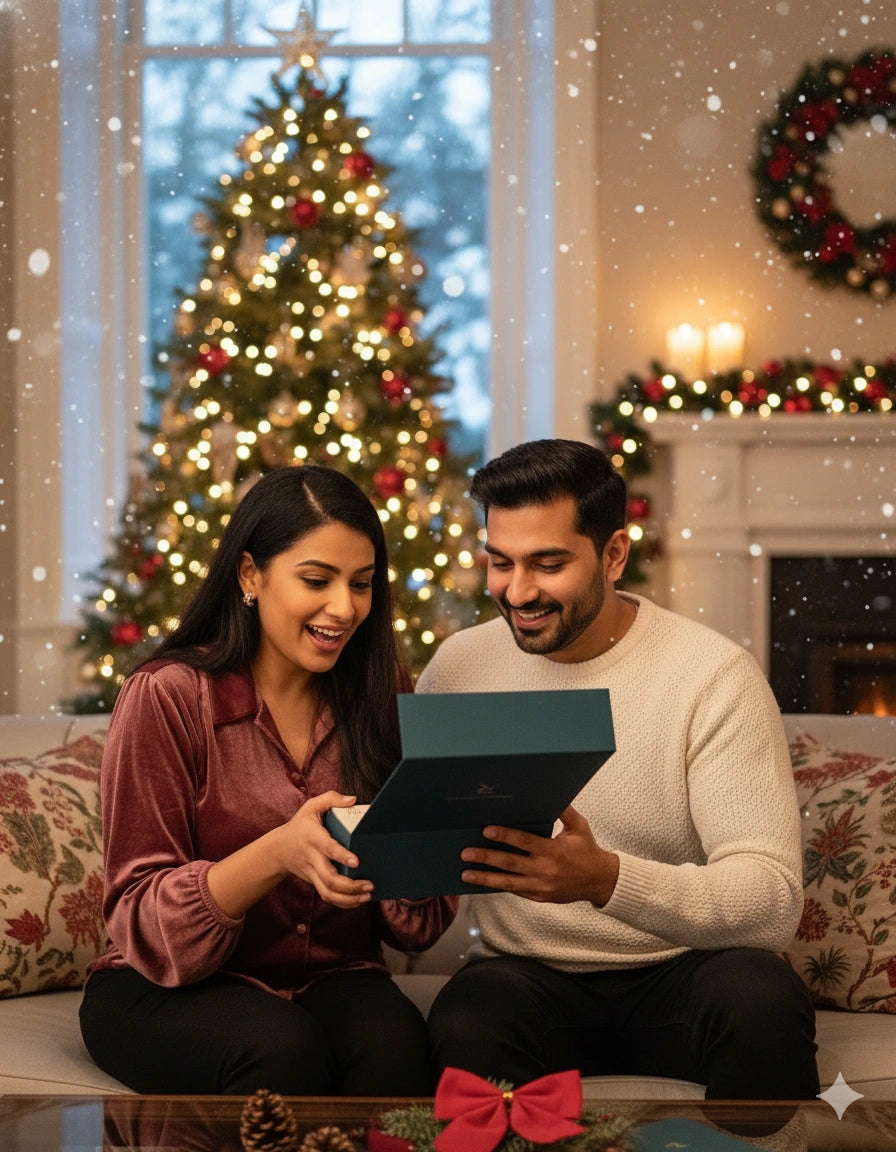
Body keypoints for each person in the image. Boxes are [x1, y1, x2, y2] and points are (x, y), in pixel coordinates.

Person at [418, 438, 819, 1100]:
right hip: (525, 976)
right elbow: (422, 840)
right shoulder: (461, 668)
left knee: (761, 997)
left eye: (547, 564)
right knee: (468, 1014)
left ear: (613, 554)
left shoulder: (712, 676)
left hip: (685, 970)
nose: (518, 591)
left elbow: (772, 902)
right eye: (501, 563)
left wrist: (607, 880)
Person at [80, 464, 457, 1096]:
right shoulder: (167, 697)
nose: (344, 608)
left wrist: (429, 839)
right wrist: (278, 853)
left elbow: (416, 927)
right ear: (250, 575)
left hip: (337, 975)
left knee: (398, 1056)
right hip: (166, 984)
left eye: (361, 584)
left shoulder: (381, 691)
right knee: (282, 1052)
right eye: (317, 580)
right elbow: (144, 919)